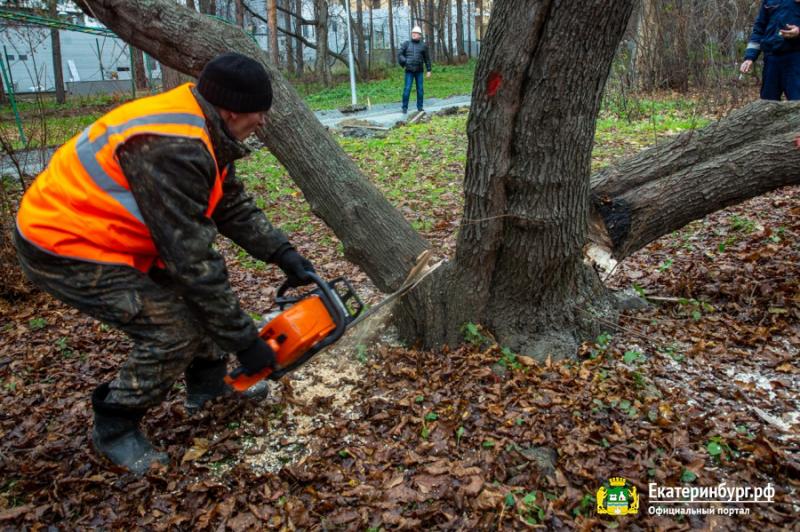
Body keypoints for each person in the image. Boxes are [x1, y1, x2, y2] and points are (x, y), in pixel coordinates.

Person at [13, 52, 316, 475]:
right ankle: (115, 426)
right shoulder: (172, 146)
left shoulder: (202, 126)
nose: (262, 123)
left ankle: (208, 391)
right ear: (231, 110)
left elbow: (228, 202)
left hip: (113, 236)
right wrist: (245, 340)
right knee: (172, 329)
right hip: (63, 243)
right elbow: (192, 262)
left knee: (198, 306)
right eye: (258, 114)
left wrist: (282, 253)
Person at [740, 0, 800, 101]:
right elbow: (759, 28)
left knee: (797, 103)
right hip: (771, 60)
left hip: (795, 59)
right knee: (767, 104)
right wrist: (749, 57)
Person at [398, 25, 432, 114]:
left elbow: (427, 59)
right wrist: (405, 61)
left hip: (419, 71)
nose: (414, 34)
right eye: (413, 33)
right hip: (409, 71)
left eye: (416, 33)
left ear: (420, 35)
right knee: (407, 89)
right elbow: (400, 54)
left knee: (420, 89)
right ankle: (404, 108)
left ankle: (420, 108)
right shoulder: (406, 44)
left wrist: (429, 70)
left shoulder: (423, 46)